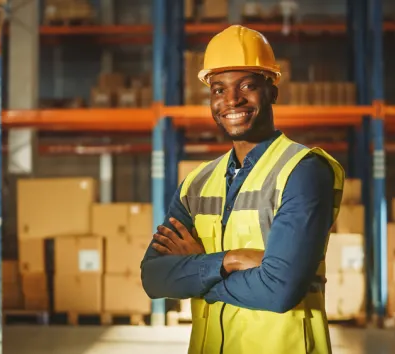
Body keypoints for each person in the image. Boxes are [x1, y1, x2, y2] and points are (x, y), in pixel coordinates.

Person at [140, 25, 345, 354]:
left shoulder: (303, 171)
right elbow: (154, 277)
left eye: (247, 85)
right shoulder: (197, 183)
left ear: (272, 91)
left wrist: (197, 269)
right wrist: (231, 260)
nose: (231, 100)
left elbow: (279, 290)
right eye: (218, 90)